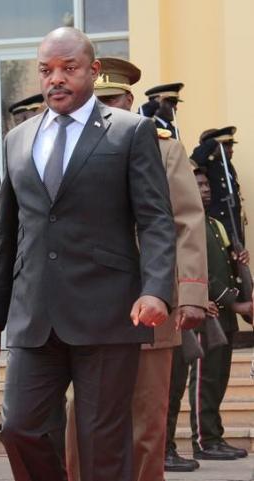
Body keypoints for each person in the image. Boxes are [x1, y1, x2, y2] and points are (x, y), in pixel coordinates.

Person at [0, 27, 175, 481]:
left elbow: (157, 220)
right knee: (20, 427)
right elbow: (8, 233)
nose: (56, 80)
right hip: (34, 316)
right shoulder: (18, 139)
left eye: (69, 69)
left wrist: (157, 290)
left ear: (93, 71)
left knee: (102, 445)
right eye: (47, 71)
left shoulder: (130, 132)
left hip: (107, 313)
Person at [66, 57, 209, 480]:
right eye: (99, 100)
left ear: (130, 100)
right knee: (83, 417)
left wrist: (193, 293)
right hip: (88, 304)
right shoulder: (72, 148)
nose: (106, 107)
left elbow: (187, 221)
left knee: (147, 421)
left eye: (113, 99)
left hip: (151, 301)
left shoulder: (165, 147)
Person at [189, 167, 251, 460]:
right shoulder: (187, 225)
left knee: (220, 376)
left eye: (206, 183)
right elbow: (200, 273)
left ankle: (214, 436)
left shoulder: (215, 224)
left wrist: (238, 260)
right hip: (206, 310)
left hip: (222, 313)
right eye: (198, 184)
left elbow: (224, 267)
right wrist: (233, 302)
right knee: (205, 378)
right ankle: (204, 440)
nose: (205, 188)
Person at [191, 127, 245, 245]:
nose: (231, 150)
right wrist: (213, 142)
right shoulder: (208, 165)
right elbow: (194, 159)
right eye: (227, 146)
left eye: (231, 146)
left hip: (234, 229)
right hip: (219, 229)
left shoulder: (227, 165)